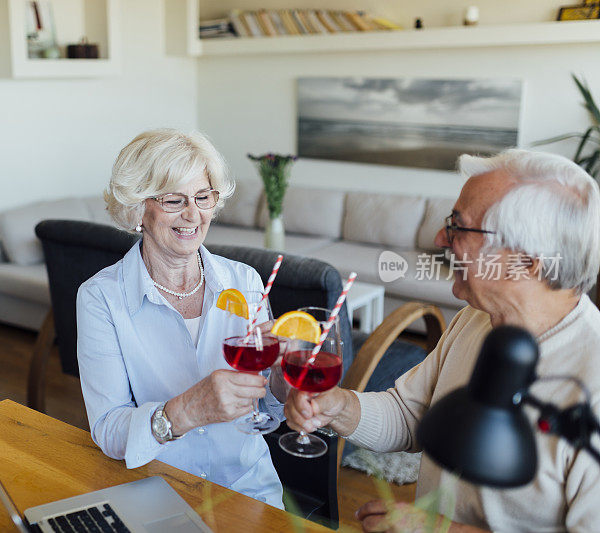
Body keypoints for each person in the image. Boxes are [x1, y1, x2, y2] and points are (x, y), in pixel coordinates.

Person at [285, 149, 600, 532]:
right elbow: (409, 415)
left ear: (527, 261)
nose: (439, 238)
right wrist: (338, 407)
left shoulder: (592, 380)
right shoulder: (476, 318)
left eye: (458, 225)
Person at [76, 129, 289, 508]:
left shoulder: (245, 281)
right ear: (138, 207)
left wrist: (281, 376)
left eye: (203, 197)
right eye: (174, 199)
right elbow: (108, 429)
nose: (193, 214)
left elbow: (266, 407)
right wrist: (187, 410)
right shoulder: (100, 298)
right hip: (157, 492)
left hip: (248, 488)